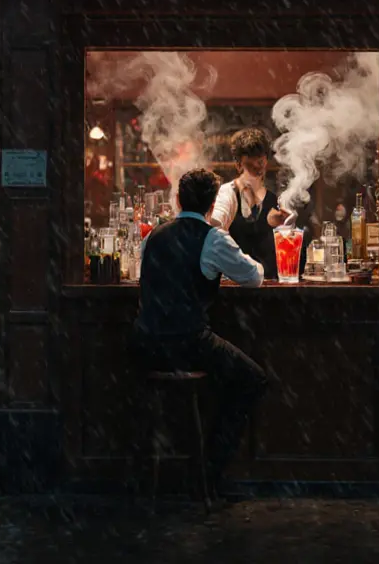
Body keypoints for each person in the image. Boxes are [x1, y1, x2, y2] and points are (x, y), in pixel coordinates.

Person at [132, 168, 270, 494]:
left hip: (143, 343)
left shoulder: (153, 236)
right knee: (252, 380)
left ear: (178, 199)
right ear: (212, 204)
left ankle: (155, 473)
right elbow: (254, 277)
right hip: (186, 342)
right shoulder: (212, 237)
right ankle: (209, 473)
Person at [211, 128, 288, 279]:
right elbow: (214, 225)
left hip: (271, 286)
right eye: (249, 166)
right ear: (238, 165)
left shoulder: (276, 200)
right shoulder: (228, 194)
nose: (255, 171)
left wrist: (281, 224)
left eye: (259, 164)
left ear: (265, 161)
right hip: (236, 285)